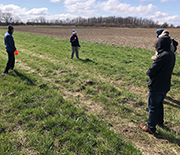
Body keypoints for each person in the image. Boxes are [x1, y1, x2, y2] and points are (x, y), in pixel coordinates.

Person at [140, 30, 176, 134]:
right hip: (165, 85)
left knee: (152, 107)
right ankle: (160, 122)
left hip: (157, 85)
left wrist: (149, 72)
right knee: (159, 104)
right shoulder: (171, 54)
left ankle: (151, 127)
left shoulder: (162, 56)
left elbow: (151, 71)